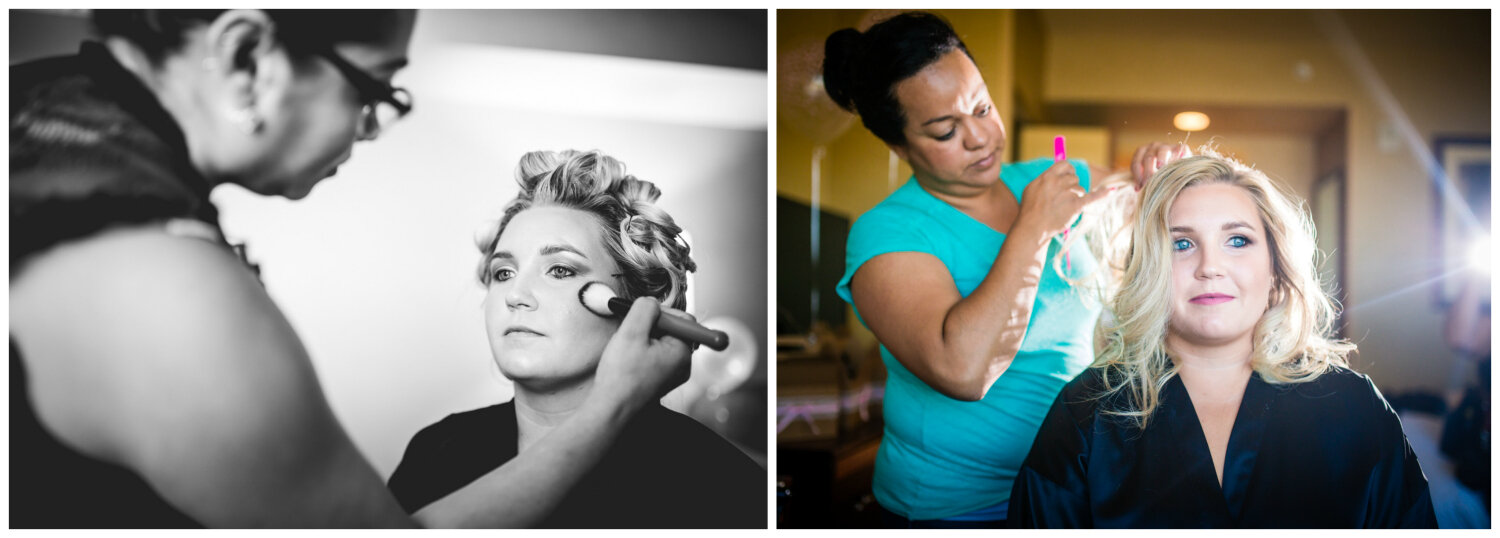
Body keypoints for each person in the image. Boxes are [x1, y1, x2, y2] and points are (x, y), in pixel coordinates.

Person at [10, 10, 690, 528]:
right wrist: (614, 405)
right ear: (247, 58)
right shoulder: (168, 293)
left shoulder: (36, 125)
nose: (368, 127)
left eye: (561, 271)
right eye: (376, 86)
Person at [823, 11, 1187, 527]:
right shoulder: (888, 232)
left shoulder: (1051, 178)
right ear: (898, 146)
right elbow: (961, 370)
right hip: (952, 512)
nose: (979, 138)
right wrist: (1032, 229)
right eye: (946, 130)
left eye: (982, 107)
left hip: (1064, 491)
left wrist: (1157, 174)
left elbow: (1152, 207)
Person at [1008, 151, 1437, 528]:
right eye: (1181, 244)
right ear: (1149, 271)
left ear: (1275, 270)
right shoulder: (1085, 414)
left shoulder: (1354, 407)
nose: (1210, 266)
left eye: (1237, 240)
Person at [386, 150, 765, 528]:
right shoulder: (438, 450)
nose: (516, 294)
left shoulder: (720, 481)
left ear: (642, 303)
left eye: (561, 270)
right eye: (503, 273)